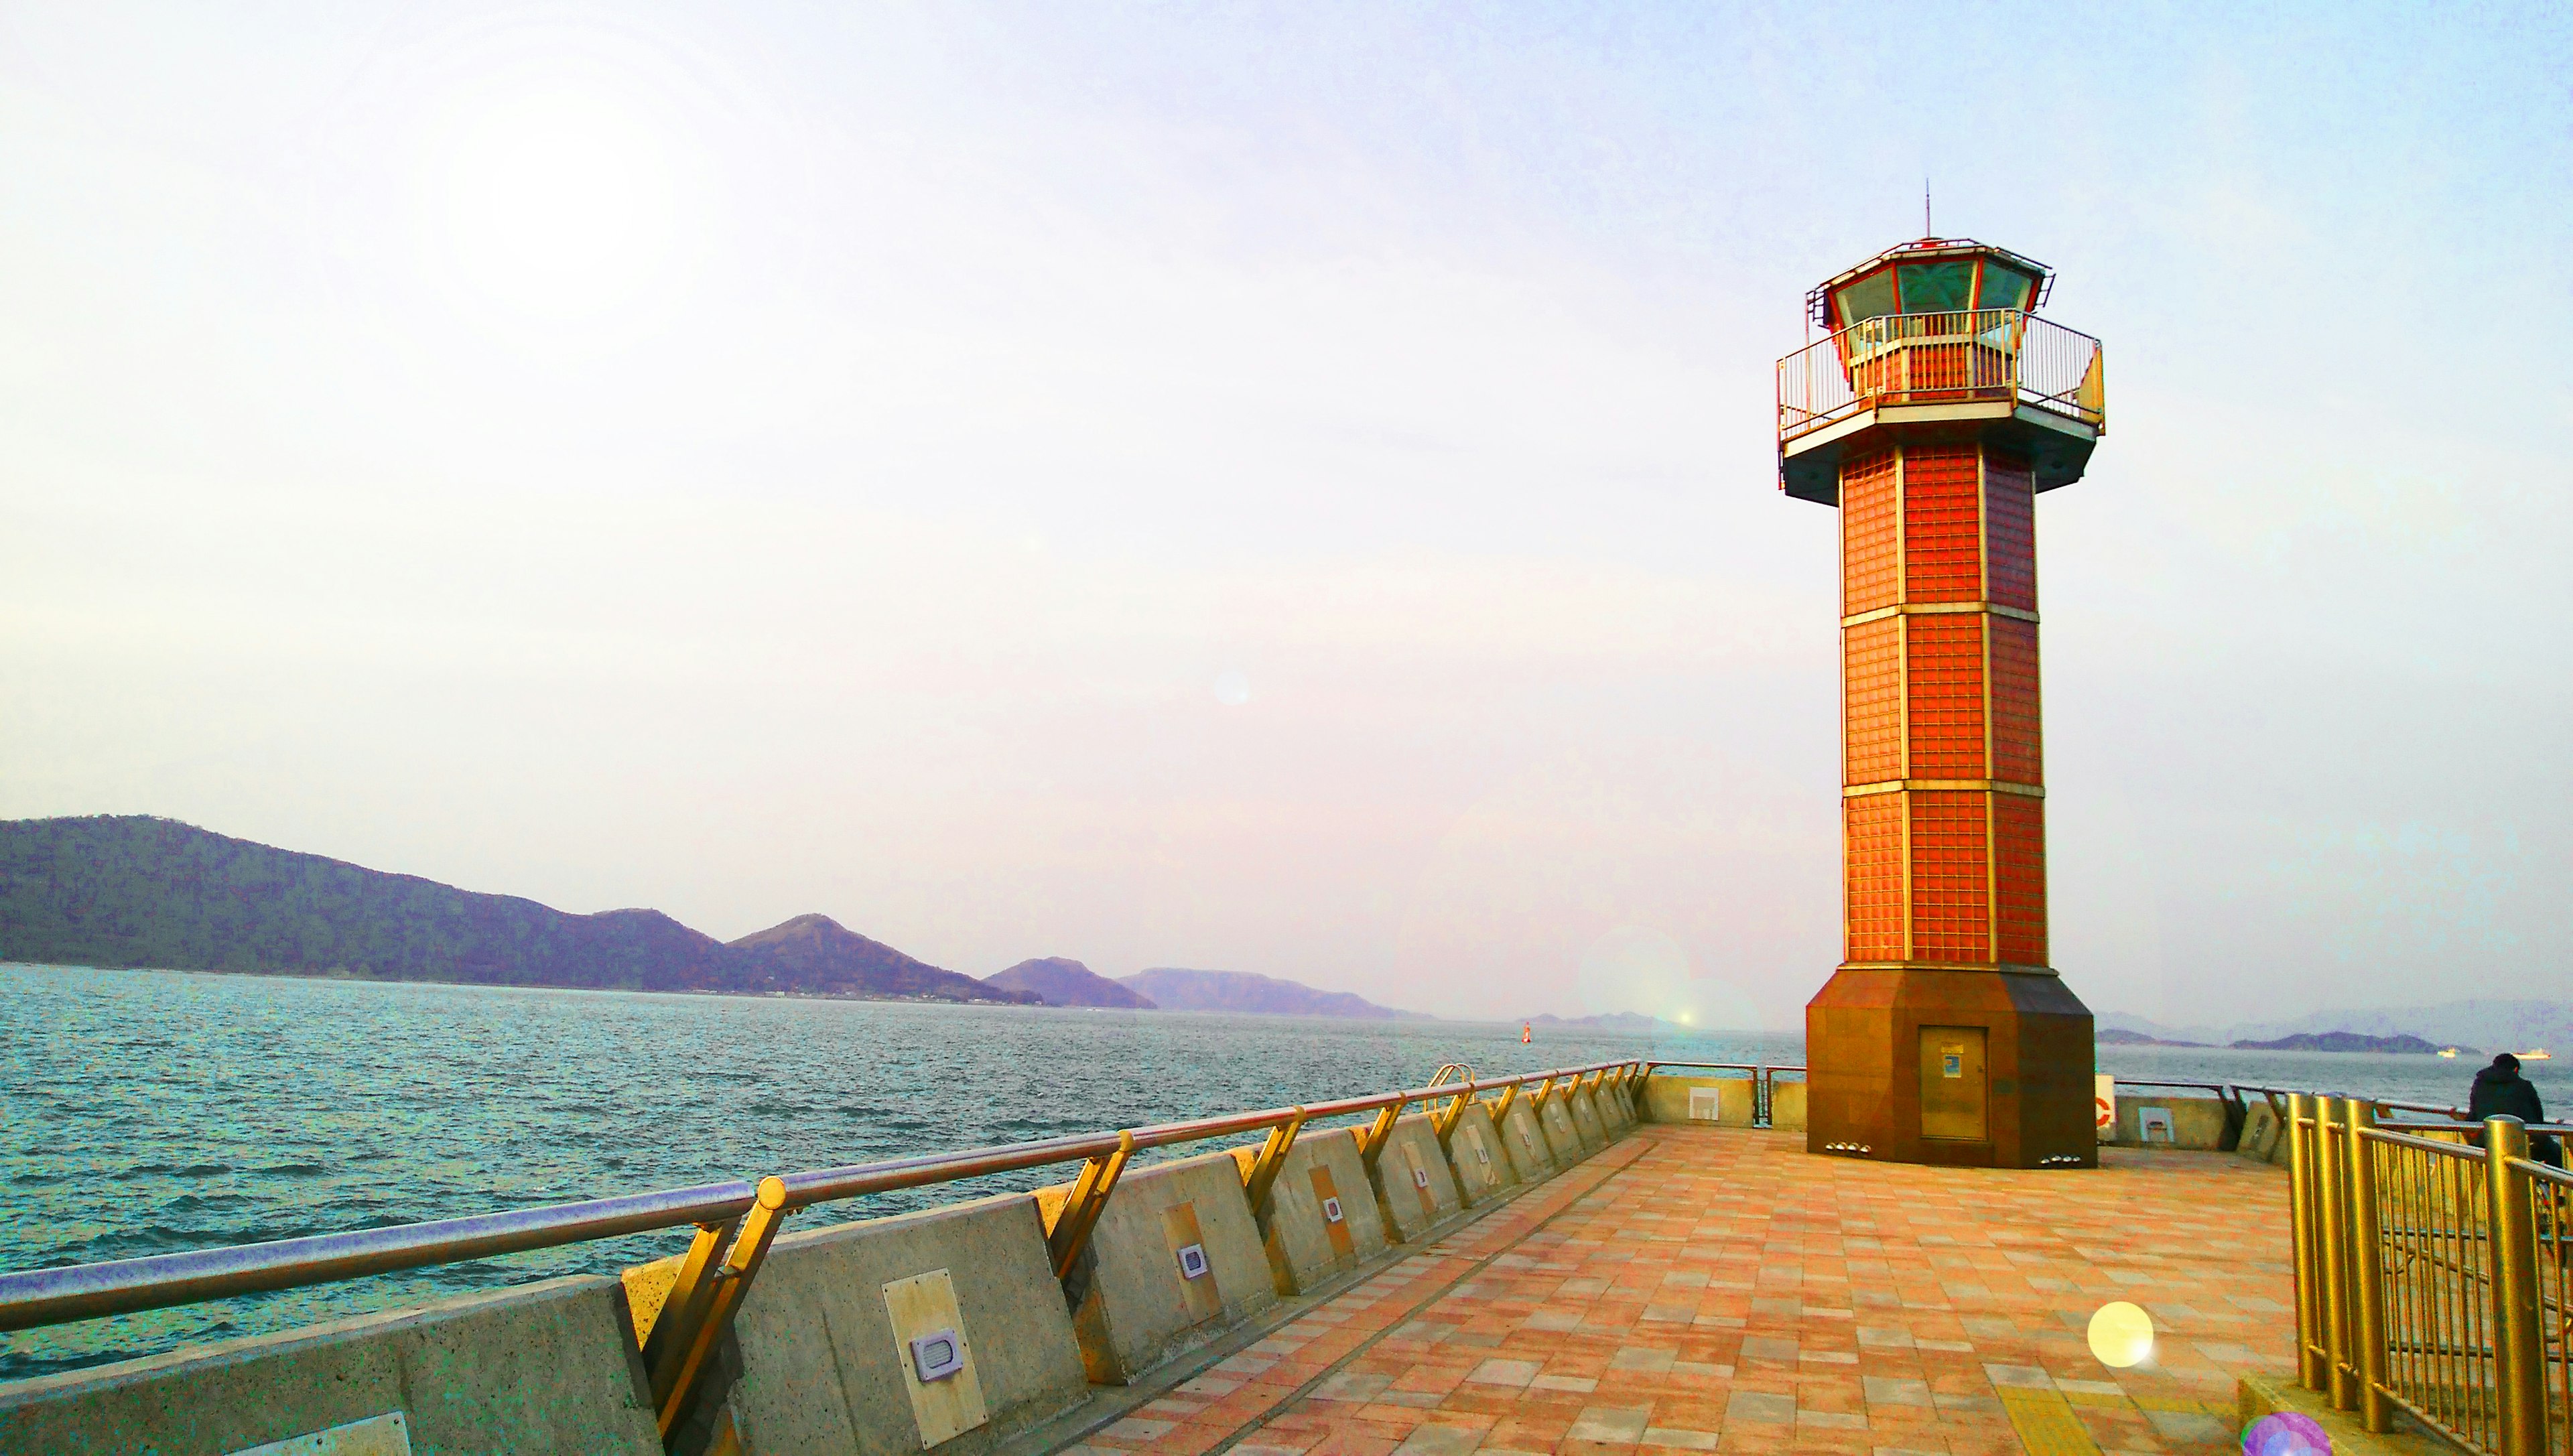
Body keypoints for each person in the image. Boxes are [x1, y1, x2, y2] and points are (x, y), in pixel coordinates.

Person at [2470, 1053, 2565, 1167]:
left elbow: (2473, 1114)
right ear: (2515, 1069)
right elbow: (2538, 1117)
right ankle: (2549, 1184)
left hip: (2488, 1143)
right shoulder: (2524, 1086)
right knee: (2555, 1152)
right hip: (2523, 1144)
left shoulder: (2479, 1084)